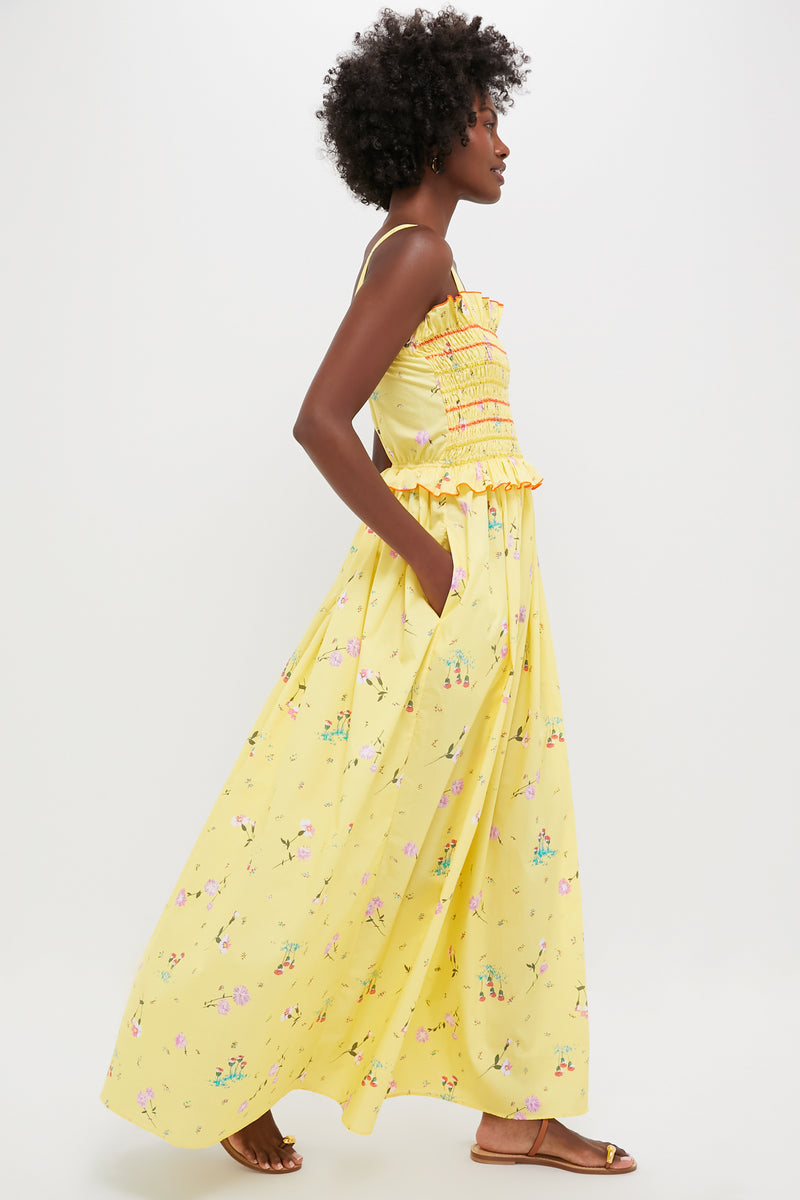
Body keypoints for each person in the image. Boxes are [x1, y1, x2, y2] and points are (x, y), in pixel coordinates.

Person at [100, 6, 637, 1177]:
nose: (501, 142)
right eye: (485, 119)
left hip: (487, 590)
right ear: (436, 126)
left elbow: (397, 435)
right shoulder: (415, 255)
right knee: (351, 838)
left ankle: (514, 1106)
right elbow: (318, 420)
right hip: (452, 593)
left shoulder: (413, 256)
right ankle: (226, 1069)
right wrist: (435, 563)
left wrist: (457, 554)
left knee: (501, 838)